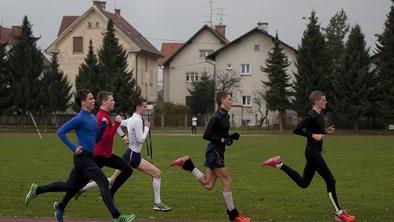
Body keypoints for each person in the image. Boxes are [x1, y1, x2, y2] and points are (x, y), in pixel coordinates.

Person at [24, 89, 135, 222]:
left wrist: (103, 128)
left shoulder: (93, 118)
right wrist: (74, 147)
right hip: (82, 158)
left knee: (71, 186)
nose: (94, 100)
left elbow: (97, 139)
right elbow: (60, 132)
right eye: (90, 99)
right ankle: (117, 216)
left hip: (89, 156)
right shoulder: (79, 118)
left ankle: (38, 190)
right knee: (103, 181)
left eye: (93, 98)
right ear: (83, 102)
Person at [262, 91, 356, 222]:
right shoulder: (311, 115)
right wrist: (313, 136)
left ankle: (279, 164)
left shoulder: (319, 114)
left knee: (304, 183)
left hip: (313, 152)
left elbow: (316, 130)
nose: (325, 102)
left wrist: (325, 132)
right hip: (313, 153)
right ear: (316, 101)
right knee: (331, 181)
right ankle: (338, 213)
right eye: (323, 100)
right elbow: (297, 130)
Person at [76, 97, 172, 212]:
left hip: (130, 154)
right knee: (157, 173)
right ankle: (157, 203)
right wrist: (146, 128)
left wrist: (123, 136)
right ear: (138, 107)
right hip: (133, 156)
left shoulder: (132, 119)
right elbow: (141, 139)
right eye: (144, 106)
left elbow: (116, 126)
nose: (146, 109)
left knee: (112, 180)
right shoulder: (137, 120)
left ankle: (83, 188)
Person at [171, 92, 251, 222]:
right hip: (214, 152)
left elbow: (221, 135)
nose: (231, 101)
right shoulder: (216, 117)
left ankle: (188, 164)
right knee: (227, 181)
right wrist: (222, 140)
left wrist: (230, 138)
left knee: (208, 185)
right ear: (222, 101)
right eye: (229, 99)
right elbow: (206, 135)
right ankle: (233, 215)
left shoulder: (226, 116)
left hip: (217, 152)